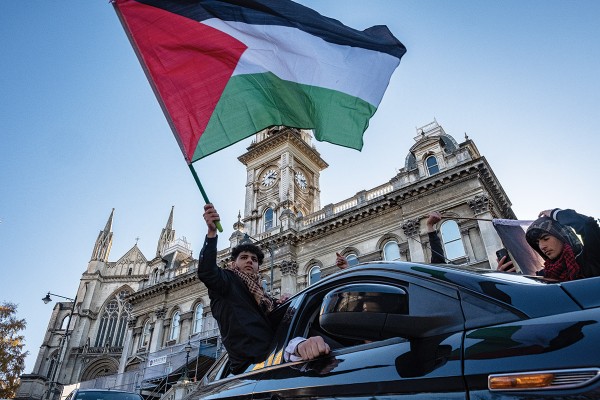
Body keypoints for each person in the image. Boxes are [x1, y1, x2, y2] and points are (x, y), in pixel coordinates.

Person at [198, 203, 330, 373]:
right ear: (234, 263)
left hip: (273, 359)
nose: (249, 261)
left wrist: (280, 306)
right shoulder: (226, 281)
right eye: (243, 257)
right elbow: (207, 272)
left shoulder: (261, 295)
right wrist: (211, 233)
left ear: (258, 267)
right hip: (250, 365)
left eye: (254, 259)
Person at [499, 208, 600, 281]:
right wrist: (505, 279)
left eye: (546, 238)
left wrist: (556, 213)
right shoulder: (542, 276)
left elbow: (587, 224)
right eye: (537, 243)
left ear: (562, 236)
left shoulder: (590, 258)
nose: (542, 247)